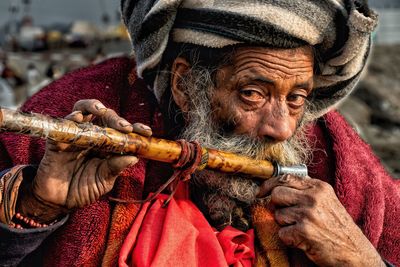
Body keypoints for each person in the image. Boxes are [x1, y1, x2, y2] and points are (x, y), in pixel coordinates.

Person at [0, 1, 399, 266]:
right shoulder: (78, 114)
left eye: (297, 98)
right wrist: (38, 206)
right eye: (252, 94)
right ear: (184, 86)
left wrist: (358, 257)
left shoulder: (332, 151)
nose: (282, 127)